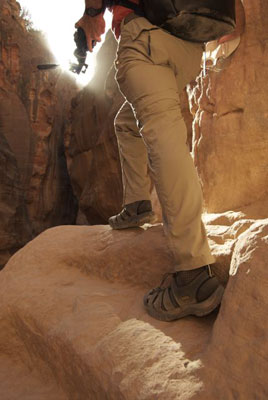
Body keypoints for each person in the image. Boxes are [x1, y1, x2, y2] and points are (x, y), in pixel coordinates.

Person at [75, 0, 239, 322]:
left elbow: (96, 10)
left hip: (147, 35)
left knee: (163, 135)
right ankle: (137, 204)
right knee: (127, 123)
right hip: (189, 45)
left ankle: (193, 277)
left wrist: (92, 15)